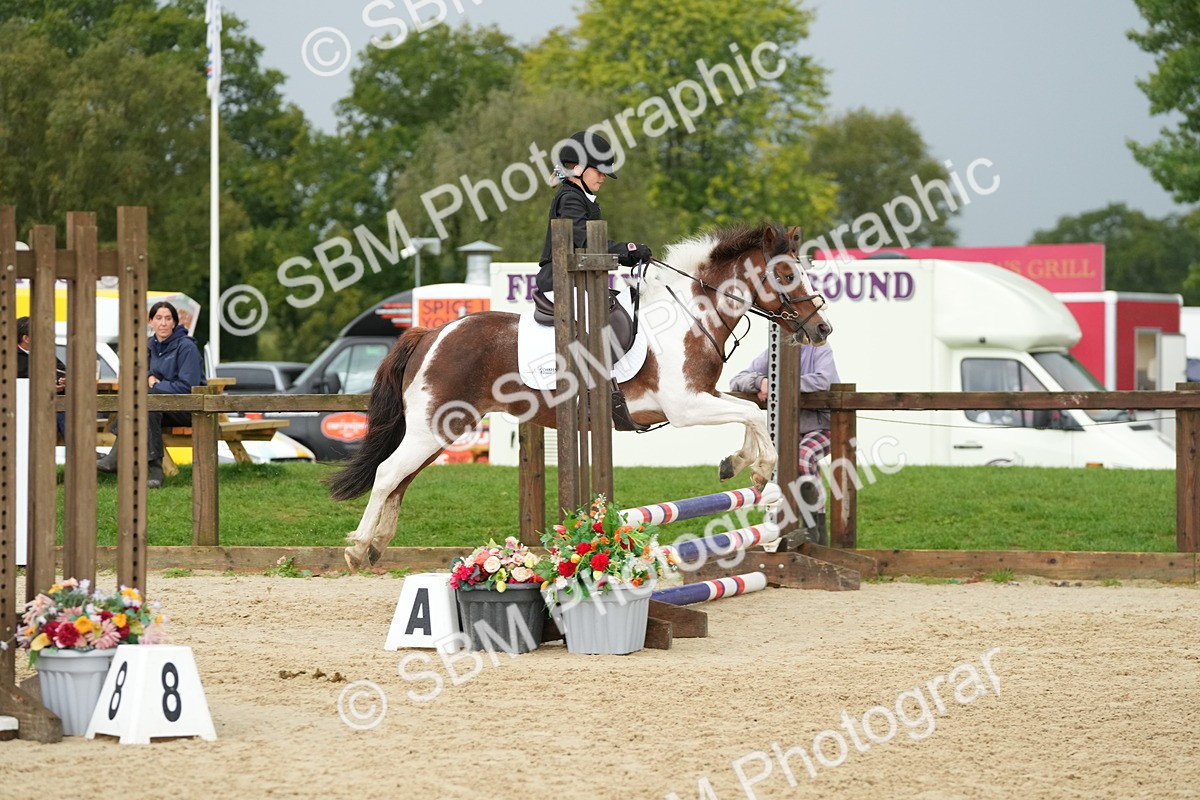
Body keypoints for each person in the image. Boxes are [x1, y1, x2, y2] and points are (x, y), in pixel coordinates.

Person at [729, 344, 841, 549]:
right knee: (782, 464)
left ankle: (813, 528)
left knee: (803, 457)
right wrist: (760, 382)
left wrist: (774, 385)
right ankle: (784, 529)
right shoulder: (774, 351)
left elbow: (823, 381)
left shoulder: (820, 348)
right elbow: (736, 380)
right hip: (791, 430)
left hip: (824, 426)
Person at [97, 301, 205, 488]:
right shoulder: (147, 346)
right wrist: (147, 376)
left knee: (146, 402)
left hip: (188, 407)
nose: (163, 323)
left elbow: (188, 386)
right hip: (155, 407)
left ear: (174, 322)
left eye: (168, 318)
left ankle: (117, 459)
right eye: (159, 318)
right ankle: (154, 470)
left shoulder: (186, 347)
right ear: (151, 322)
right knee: (145, 406)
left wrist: (158, 385)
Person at [534, 130, 653, 298]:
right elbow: (587, 241)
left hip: (580, 281)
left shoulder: (581, 197)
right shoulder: (570, 199)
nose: (603, 177)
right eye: (599, 171)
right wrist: (628, 250)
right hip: (561, 283)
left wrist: (629, 256)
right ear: (579, 169)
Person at [16, 316, 67, 437]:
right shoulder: (9, 357)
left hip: (49, 402)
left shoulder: (44, 352)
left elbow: (61, 370)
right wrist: (46, 387)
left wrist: (62, 381)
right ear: (26, 338)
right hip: (23, 407)